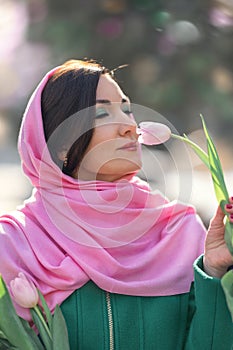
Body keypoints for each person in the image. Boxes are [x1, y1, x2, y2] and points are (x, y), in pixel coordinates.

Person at [0, 59, 233, 349]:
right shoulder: (13, 245)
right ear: (61, 143)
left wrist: (213, 272)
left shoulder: (180, 232)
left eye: (126, 109)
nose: (128, 126)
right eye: (101, 113)